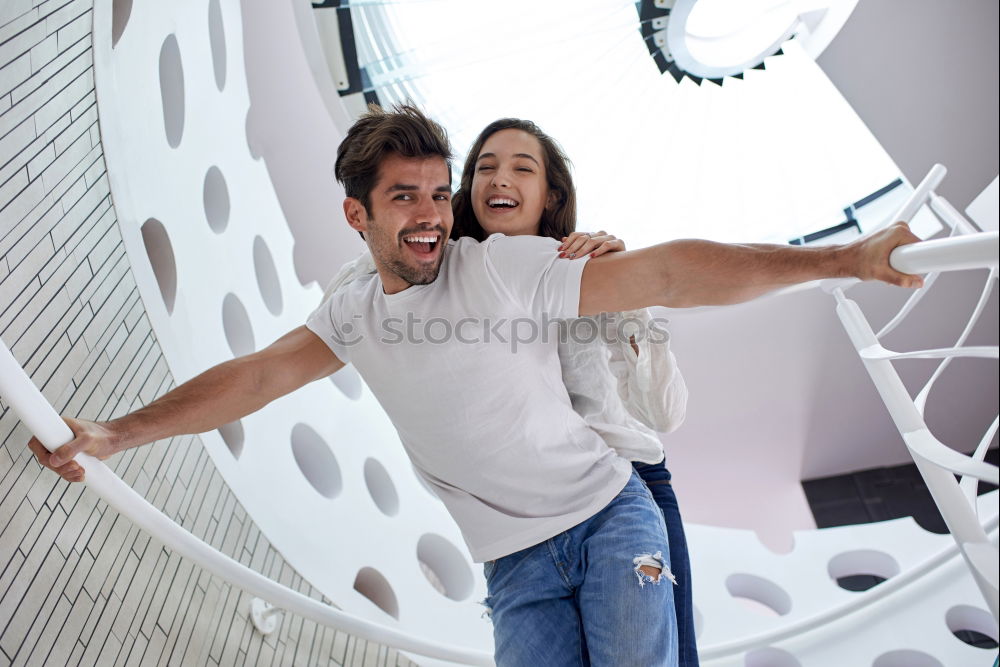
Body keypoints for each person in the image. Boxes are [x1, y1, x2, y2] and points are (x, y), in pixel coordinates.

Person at [29, 104, 923, 666]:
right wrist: (114, 433)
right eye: (405, 198)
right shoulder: (349, 311)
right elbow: (258, 376)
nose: (430, 214)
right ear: (358, 214)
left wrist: (845, 257)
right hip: (516, 567)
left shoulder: (504, 267)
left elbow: (673, 274)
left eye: (434, 193)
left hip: (613, 515)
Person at [329, 116, 698, 664]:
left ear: (550, 195)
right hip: (526, 526)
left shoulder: (584, 269)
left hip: (626, 488)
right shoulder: (445, 275)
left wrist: (627, 286)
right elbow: (352, 292)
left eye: (521, 168)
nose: (499, 179)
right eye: (485, 167)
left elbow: (663, 414)